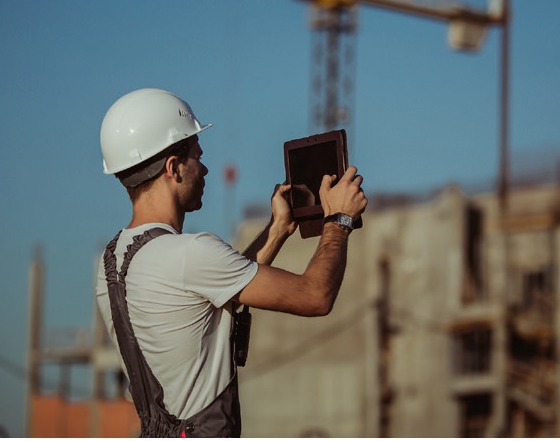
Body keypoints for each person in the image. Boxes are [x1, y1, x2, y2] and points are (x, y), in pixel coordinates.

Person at [95, 88, 367, 438]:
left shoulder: (113, 261)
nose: (205, 168)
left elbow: (211, 293)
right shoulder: (191, 253)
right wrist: (339, 220)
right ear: (174, 167)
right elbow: (315, 296)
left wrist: (277, 230)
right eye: (197, 156)